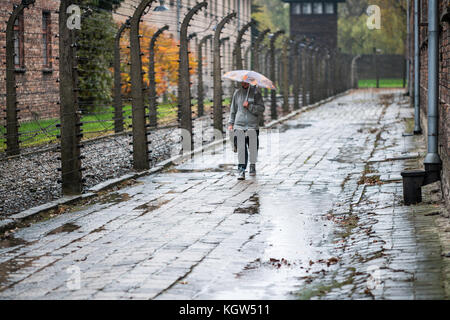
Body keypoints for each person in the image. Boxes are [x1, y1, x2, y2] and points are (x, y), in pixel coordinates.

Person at [228, 82, 265, 180]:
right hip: (239, 125)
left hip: (252, 126)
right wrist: (231, 123)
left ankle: (252, 165)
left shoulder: (256, 93)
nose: (243, 82)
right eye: (242, 80)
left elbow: (261, 109)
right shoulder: (237, 93)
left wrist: (249, 106)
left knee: (253, 148)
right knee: (241, 148)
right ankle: (241, 169)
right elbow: (233, 109)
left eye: (246, 81)